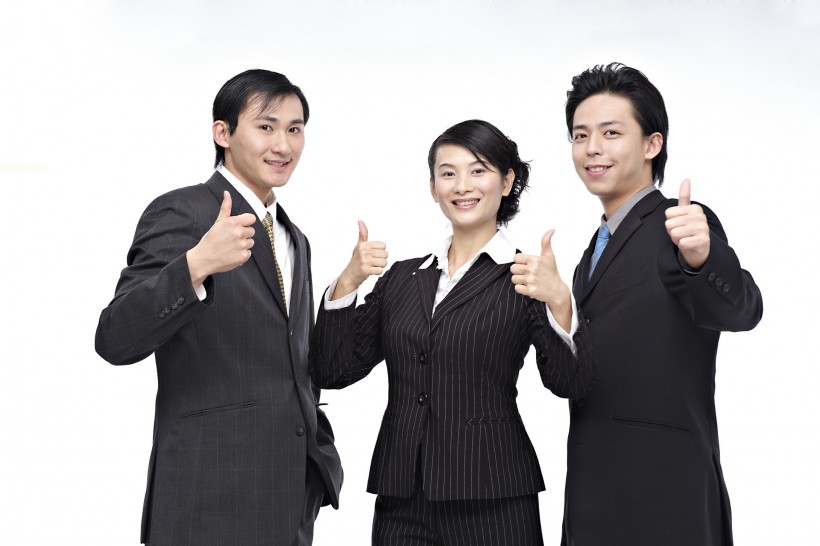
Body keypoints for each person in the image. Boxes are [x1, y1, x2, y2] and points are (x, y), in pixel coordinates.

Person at [309, 119, 595, 545]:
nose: (462, 186)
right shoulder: (401, 278)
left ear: (506, 181)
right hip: (402, 497)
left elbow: (570, 383)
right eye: (448, 173)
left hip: (493, 494)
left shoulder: (525, 277)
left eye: (478, 170)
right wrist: (347, 282)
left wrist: (559, 300)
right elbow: (332, 371)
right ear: (433, 187)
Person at [95, 69, 342, 546]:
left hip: (291, 497)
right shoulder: (183, 211)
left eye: (295, 129)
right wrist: (195, 266)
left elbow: (293, 360)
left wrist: (318, 453)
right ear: (223, 133)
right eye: (266, 127)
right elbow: (114, 338)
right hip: (208, 498)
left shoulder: (295, 238)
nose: (284, 145)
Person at [561, 62, 763, 545]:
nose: (592, 148)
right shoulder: (591, 252)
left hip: (665, 496)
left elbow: (741, 311)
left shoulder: (680, 224)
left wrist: (702, 259)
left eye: (611, 133)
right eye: (580, 135)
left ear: (652, 144)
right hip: (595, 495)